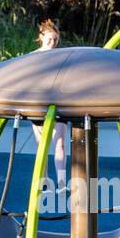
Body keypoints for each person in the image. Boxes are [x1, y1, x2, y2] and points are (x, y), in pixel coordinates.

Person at [34, 19, 68, 189]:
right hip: (40, 105)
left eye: (55, 40)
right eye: (49, 39)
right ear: (41, 37)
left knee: (60, 143)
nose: (53, 43)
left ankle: (62, 182)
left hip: (58, 103)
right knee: (42, 145)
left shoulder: (61, 56)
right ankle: (44, 179)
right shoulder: (33, 57)